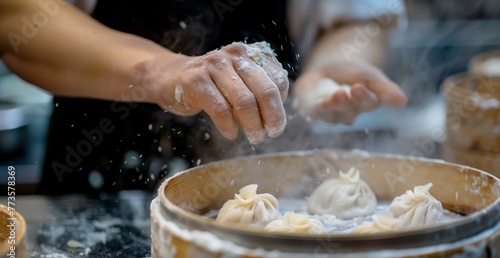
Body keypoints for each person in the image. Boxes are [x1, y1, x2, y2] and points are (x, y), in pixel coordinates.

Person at [0, 0, 407, 195]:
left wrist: (329, 69)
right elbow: (17, 18)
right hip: (95, 187)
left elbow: (358, 14)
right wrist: (158, 72)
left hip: (274, 194)